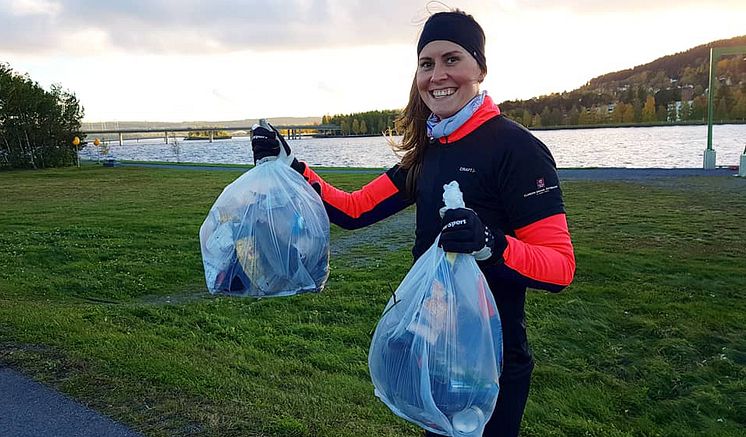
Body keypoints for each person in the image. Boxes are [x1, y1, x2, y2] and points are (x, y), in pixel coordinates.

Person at [252, 9, 575, 437]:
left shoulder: (517, 150)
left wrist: (490, 244)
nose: (437, 75)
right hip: (431, 351)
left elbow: (560, 267)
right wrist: (291, 166)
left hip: (490, 364)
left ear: (480, 67)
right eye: (427, 64)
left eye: (451, 59)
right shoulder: (429, 152)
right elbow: (354, 209)